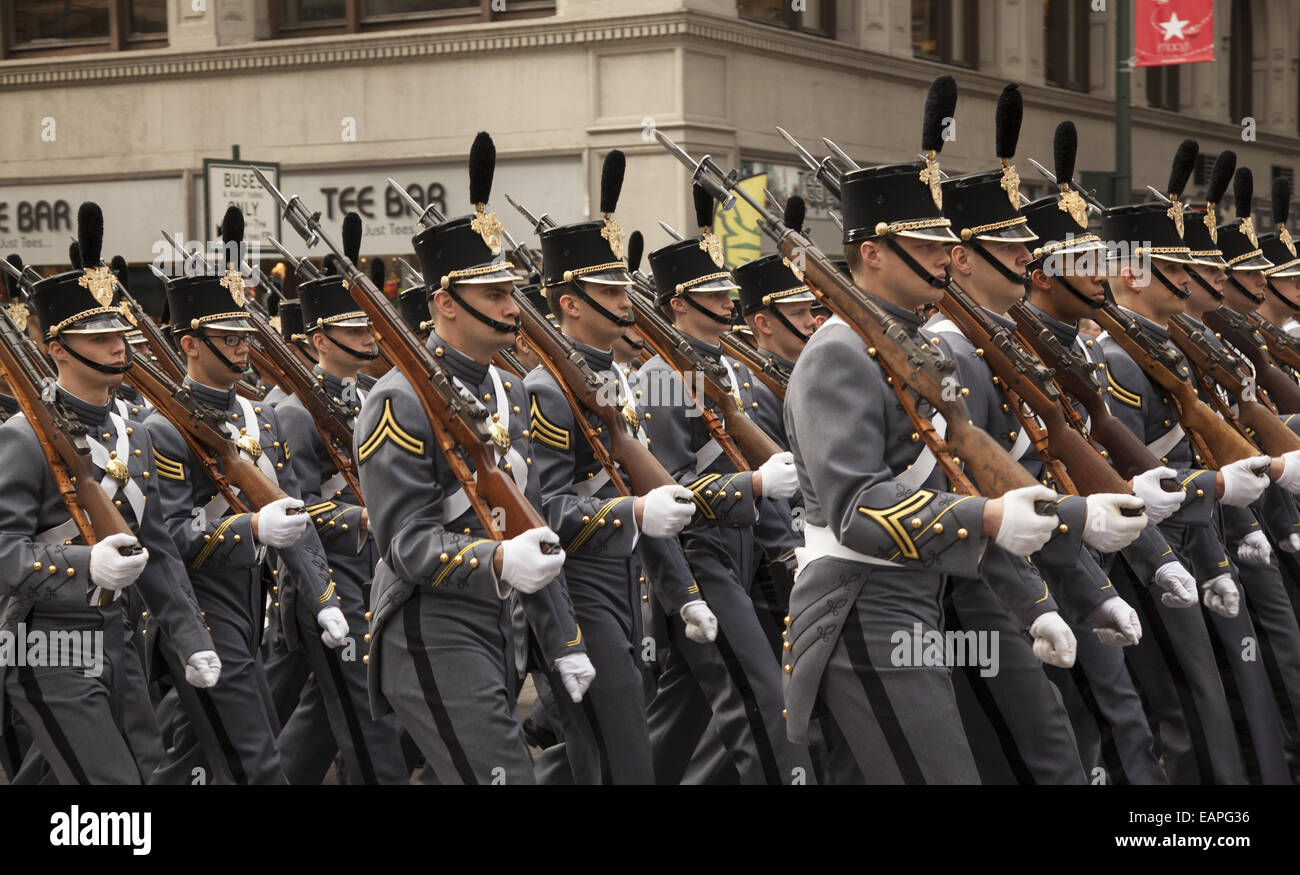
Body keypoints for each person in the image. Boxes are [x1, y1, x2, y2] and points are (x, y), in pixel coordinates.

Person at [782, 75, 1062, 783]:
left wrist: (1035, 599)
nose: (945, 254)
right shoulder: (839, 352)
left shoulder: (914, 348)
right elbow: (857, 510)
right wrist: (990, 516)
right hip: (862, 608)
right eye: (928, 241)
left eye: (945, 240)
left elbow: (952, 477)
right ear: (873, 252)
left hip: (913, 600)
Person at [360, 132, 592, 784]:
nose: (513, 308)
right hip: (431, 624)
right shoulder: (398, 400)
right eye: (494, 295)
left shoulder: (510, 393)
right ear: (445, 303)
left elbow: (531, 522)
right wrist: (495, 560)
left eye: (511, 292)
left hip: (498, 623)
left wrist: (563, 637)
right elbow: (405, 543)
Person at [0, 221, 218, 784]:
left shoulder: (134, 434)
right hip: (49, 640)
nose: (118, 346)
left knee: (138, 773)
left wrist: (190, 637)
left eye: (118, 332)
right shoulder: (24, 438)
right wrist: (83, 565)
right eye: (98, 338)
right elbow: (4, 551)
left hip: (123, 636)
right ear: (57, 349)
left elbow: (158, 550)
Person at [524, 152, 707, 782]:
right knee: (621, 753)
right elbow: (546, 512)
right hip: (575, 588)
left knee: (610, 752)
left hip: (625, 582)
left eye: (624, 288)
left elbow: (638, 486)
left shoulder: (618, 380)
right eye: (608, 292)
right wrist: (633, 513)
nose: (626, 302)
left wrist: (682, 592)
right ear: (569, 304)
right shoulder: (547, 388)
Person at [144, 241, 347, 785]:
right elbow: (170, 537)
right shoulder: (162, 429)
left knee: (197, 754)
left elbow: (295, 517)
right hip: (200, 603)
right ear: (190, 344)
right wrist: (250, 528)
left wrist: (323, 597)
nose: (242, 349)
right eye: (228, 339)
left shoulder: (263, 417)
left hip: (251, 601)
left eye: (244, 337)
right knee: (257, 758)